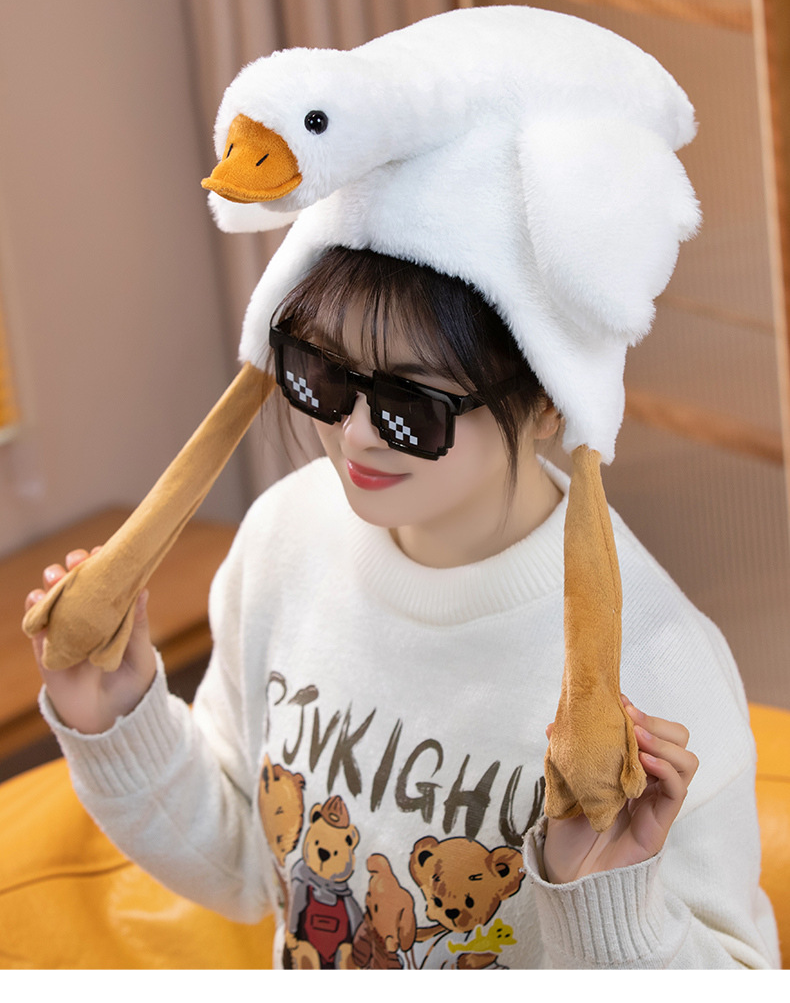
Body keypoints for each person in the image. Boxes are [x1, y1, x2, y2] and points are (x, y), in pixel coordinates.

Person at [28, 244, 779, 969]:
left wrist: (611, 910)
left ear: (551, 398)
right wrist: (117, 718)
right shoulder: (286, 535)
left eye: (411, 404)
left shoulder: (656, 662)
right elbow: (247, 863)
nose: (354, 434)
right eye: (324, 373)